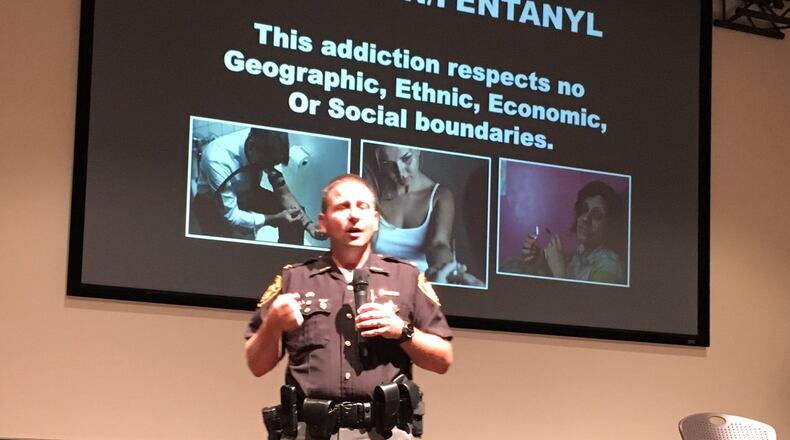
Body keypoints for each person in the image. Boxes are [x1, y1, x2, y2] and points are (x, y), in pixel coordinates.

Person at [244, 174, 453, 439]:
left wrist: (402, 330)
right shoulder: (293, 279)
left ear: (376, 221)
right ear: (323, 222)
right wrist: (273, 324)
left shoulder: (407, 278)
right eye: (343, 207)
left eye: (362, 207)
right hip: (310, 431)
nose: (354, 216)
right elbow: (256, 365)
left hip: (385, 432)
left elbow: (443, 360)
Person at [363, 145, 483, 286]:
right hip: (375, 286)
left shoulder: (439, 196)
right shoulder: (371, 193)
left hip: (419, 291)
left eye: (406, 159)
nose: (400, 172)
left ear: (418, 150)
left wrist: (447, 270)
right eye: (389, 164)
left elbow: (439, 244)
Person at [193, 127, 325, 243]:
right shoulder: (218, 159)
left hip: (248, 193)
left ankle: (288, 264)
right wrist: (273, 219)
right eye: (268, 164)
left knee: (296, 218)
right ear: (251, 147)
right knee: (223, 252)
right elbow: (231, 216)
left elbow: (283, 192)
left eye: (274, 164)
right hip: (212, 205)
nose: (270, 168)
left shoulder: (264, 143)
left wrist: (309, 225)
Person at [508, 180, 626, 284]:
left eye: (597, 215)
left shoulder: (610, 267)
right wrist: (541, 265)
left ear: (609, 225)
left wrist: (559, 270)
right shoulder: (578, 254)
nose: (585, 218)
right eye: (583, 209)